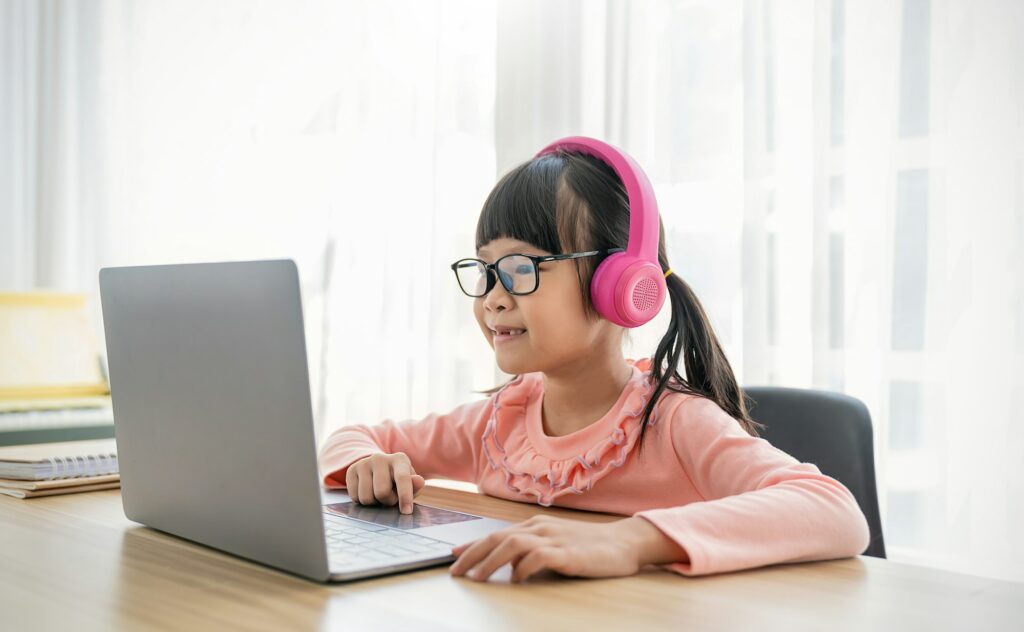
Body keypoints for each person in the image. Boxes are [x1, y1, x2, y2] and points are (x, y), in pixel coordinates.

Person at [317, 136, 870, 583]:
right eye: (485, 270)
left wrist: (630, 540)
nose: (493, 297)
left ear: (618, 286)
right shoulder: (499, 423)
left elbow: (834, 512)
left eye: (521, 268)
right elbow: (354, 435)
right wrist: (368, 461)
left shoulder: (673, 423)